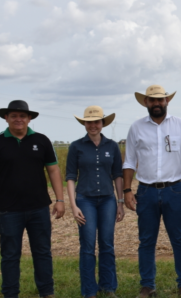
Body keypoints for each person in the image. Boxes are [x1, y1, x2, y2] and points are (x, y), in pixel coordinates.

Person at [0, 99, 65, 298]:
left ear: (29, 118)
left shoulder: (42, 141)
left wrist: (60, 200)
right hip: (9, 210)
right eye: (14, 116)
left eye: (22, 116)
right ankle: (10, 293)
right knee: (10, 255)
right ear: (6, 118)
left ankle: (46, 292)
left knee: (42, 252)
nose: (19, 119)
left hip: (39, 208)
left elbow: (53, 170)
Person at [123, 84, 181, 298]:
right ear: (146, 102)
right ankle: (148, 286)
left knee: (180, 239)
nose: (156, 103)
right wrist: (127, 190)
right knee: (146, 240)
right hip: (145, 191)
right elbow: (129, 161)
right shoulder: (136, 127)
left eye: (160, 99)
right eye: (152, 100)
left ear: (167, 101)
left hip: (174, 190)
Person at [66, 105, 125, 298]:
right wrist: (73, 206)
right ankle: (89, 291)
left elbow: (117, 175)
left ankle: (108, 288)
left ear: (102, 123)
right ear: (84, 123)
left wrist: (120, 202)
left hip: (108, 200)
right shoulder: (76, 146)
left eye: (96, 122)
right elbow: (70, 176)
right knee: (88, 245)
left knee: (107, 244)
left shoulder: (112, 146)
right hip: (85, 201)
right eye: (89, 122)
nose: (93, 125)